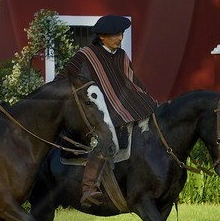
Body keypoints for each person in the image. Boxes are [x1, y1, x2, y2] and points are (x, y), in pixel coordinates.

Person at [63, 14, 158, 208]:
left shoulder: (122, 56)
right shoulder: (86, 55)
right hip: (99, 109)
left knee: (153, 125)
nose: (120, 38)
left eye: (121, 34)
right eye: (115, 35)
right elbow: (65, 78)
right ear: (102, 37)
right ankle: (89, 188)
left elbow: (132, 81)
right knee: (106, 138)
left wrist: (147, 99)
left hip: (125, 103)